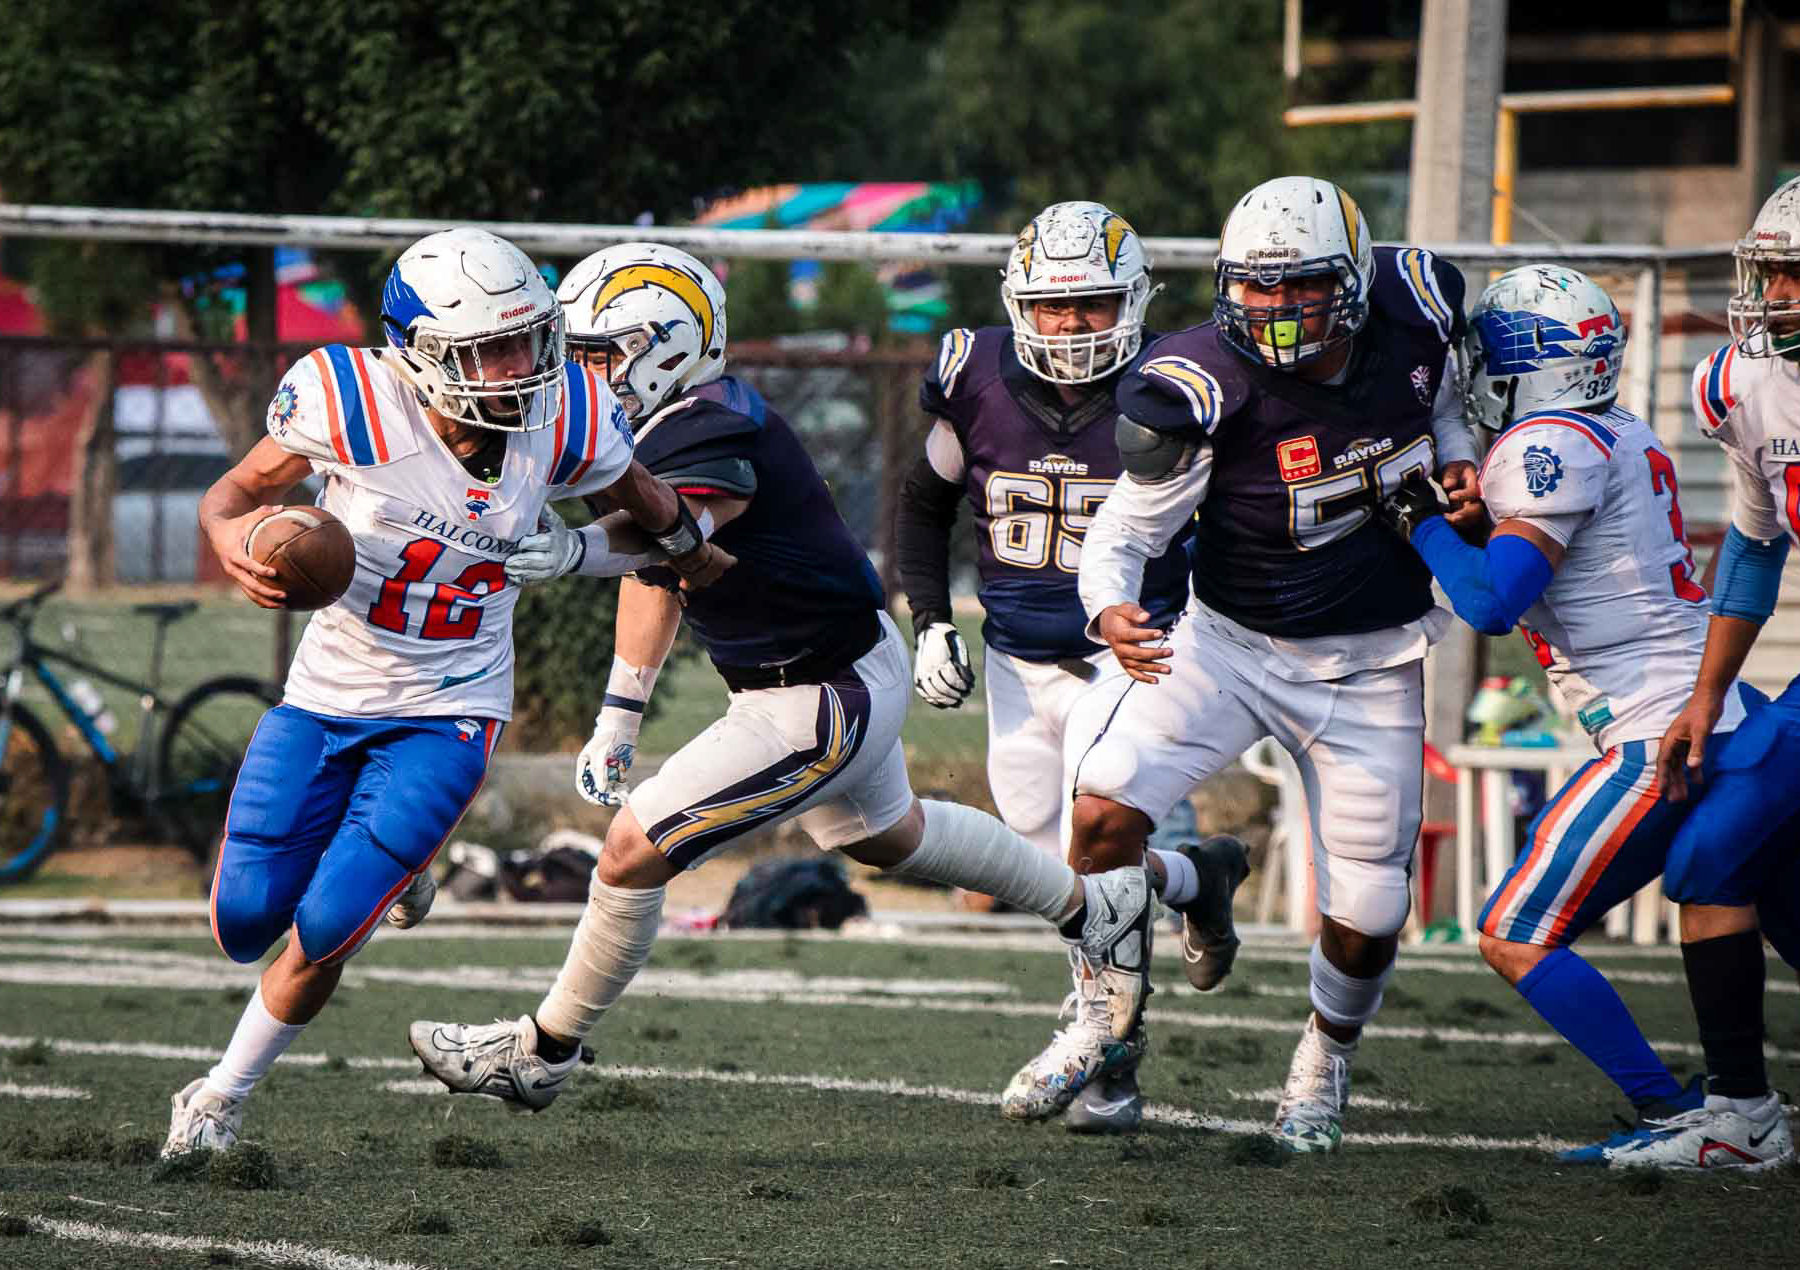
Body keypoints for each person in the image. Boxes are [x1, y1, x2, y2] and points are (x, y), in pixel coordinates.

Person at [403, 243, 1174, 1112]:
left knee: (631, 850)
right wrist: (619, 714)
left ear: (664, 348)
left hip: (818, 692)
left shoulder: (709, 420)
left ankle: (541, 1053)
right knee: (888, 837)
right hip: (827, 669)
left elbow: (683, 528)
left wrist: (576, 547)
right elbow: (659, 573)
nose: (578, 373)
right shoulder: (647, 422)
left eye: (597, 353)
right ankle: (1096, 908)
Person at [162, 227, 731, 1157]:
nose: (520, 367)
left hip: (452, 706)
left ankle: (218, 1097)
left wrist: (691, 552)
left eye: (528, 339)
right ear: (418, 354)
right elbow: (228, 496)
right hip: (327, 694)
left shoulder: (569, 417)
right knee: (243, 919)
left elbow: (647, 503)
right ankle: (404, 865)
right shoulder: (350, 402)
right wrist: (233, 541)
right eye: (490, 350)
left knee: (329, 926)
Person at [1042, 176, 1481, 1153]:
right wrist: (1109, 605)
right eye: (1257, 285)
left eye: (1302, 285)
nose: (1276, 306)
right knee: (1101, 813)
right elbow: (1125, 527)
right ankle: (1103, 1020)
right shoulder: (1204, 383)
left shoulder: (1416, 313)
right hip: (1229, 645)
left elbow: (1445, 402)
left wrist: (1458, 457)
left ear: (1353, 281)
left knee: (1370, 906)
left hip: (1372, 660)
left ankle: (1326, 1055)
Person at [1375, 264, 1768, 1161]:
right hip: (1716, 711)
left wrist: (1420, 524)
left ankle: (1671, 1107)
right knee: (1749, 909)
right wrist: (1475, 526)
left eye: (1488, 354)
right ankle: (1741, 1109)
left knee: (1513, 932)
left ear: (1523, 363)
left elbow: (1491, 603)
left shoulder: (1543, 441)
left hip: (1654, 729)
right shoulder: (1617, 427)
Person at [895, 200, 1235, 1135]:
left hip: (1132, 650)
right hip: (1016, 655)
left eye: (1091, 303)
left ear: (1132, 301)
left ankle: (1108, 1064)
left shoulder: (1177, 383)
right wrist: (931, 621)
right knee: (1057, 874)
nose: (1071, 323)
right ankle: (1196, 878)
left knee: (1094, 852)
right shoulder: (974, 375)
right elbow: (923, 504)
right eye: (1052, 304)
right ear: (1019, 304)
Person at [1606, 176, 1800, 1172]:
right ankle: (1743, 1113)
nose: (1777, 295)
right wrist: (1704, 694)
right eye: (1772, 273)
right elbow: (1756, 548)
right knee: (1714, 854)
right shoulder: (1746, 383)